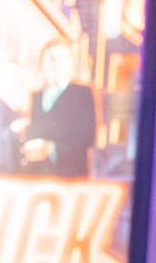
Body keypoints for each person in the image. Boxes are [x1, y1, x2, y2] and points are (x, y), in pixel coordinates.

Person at [19, 40, 98, 178]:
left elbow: (87, 137)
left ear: (70, 64)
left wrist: (51, 150)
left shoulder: (82, 94)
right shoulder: (36, 97)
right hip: (36, 176)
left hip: (69, 177)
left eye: (61, 59)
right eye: (50, 59)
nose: (55, 64)